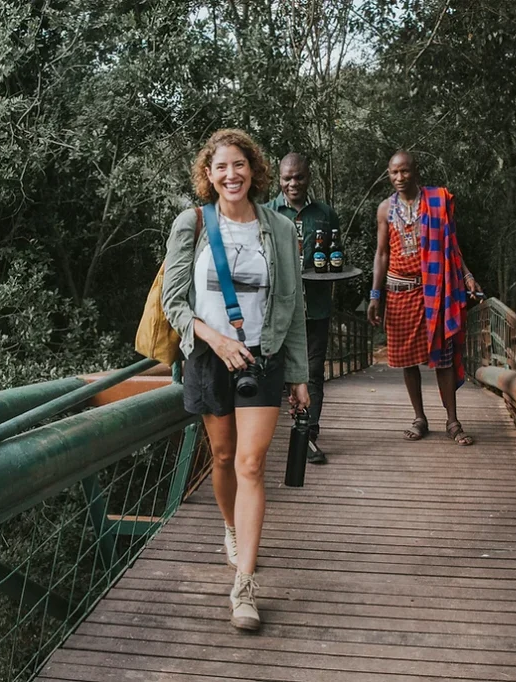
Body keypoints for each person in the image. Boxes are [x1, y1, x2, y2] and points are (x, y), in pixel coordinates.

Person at [161, 129, 310, 631]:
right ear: (208, 174)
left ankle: (244, 585)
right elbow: (173, 302)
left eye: (240, 165)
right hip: (208, 358)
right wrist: (215, 339)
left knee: (250, 463)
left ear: (255, 170)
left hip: (261, 359)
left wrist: (299, 374)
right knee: (222, 457)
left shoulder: (279, 229)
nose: (232, 174)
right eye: (221, 166)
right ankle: (230, 527)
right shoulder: (192, 224)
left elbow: (293, 305)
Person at [367, 150, 482, 445]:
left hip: (434, 291)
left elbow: (451, 246)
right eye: (394, 173)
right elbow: (381, 254)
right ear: (388, 174)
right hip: (399, 292)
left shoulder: (437, 202)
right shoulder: (385, 209)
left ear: (416, 172)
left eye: (404, 171)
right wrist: (375, 294)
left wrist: (467, 275)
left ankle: (453, 421)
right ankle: (419, 417)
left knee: (443, 358)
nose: (399, 178)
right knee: (408, 361)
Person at [265, 153, 339, 464]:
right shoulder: (266, 212)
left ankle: (308, 431)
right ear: (279, 179)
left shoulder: (325, 214)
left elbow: (336, 257)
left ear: (309, 177)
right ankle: (268, 434)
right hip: (278, 310)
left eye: (299, 177)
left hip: (316, 308)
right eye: (287, 178)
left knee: (313, 371)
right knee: (271, 372)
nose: (293, 183)